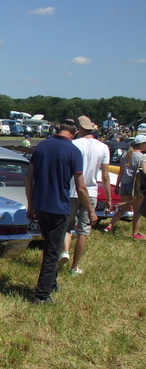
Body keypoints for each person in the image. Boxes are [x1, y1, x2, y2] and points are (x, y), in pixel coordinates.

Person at [25, 118, 97, 304]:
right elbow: (80, 187)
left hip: (40, 205)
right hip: (59, 207)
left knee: (50, 244)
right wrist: (90, 210)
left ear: (58, 129)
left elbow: (29, 178)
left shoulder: (41, 147)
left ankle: (52, 282)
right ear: (74, 132)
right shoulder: (73, 151)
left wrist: (30, 204)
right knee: (52, 252)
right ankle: (42, 295)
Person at [61, 116, 110, 274]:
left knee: (67, 227)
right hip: (91, 192)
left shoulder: (73, 144)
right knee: (83, 230)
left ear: (79, 129)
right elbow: (105, 176)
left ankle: (65, 252)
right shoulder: (103, 147)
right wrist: (109, 197)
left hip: (72, 190)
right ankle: (74, 267)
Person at [104, 134, 146, 238]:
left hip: (124, 185)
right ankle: (135, 233)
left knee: (122, 209)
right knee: (137, 212)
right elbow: (145, 172)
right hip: (135, 187)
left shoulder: (125, 155)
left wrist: (117, 185)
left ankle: (109, 226)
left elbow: (121, 172)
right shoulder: (142, 157)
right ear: (142, 145)